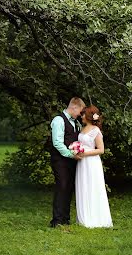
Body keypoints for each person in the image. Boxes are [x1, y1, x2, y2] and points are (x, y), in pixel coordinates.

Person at [48, 97, 86, 227]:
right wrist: (70, 154)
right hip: (60, 160)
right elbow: (57, 143)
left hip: (71, 160)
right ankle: (57, 220)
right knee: (62, 186)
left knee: (69, 187)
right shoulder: (59, 120)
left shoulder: (76, 123)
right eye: (80, 112)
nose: (80, 115)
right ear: (74, 107)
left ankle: (65, 218)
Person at [75, 105, 113, 228]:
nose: (81, 116)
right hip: (82, 163)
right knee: (83, 186)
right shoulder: (83, 129)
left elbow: (101, 150)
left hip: (91, 162)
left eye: (83, 114)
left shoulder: (96, 131)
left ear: (88, 116)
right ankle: (84, 217)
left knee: (92, 187)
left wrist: (85, 153)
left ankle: (95, 218)